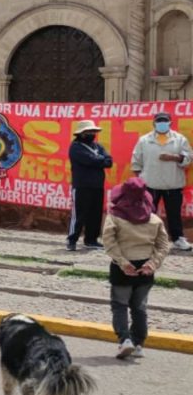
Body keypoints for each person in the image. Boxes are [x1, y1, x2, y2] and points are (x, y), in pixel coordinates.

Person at [102, 177, 171, 360]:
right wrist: (152, 264)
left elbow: (109, 243)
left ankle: (125, 340)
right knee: (139, 308)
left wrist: (123, 262)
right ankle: (139, 344)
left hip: (122, 268)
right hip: (146, 269)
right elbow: (164, 246)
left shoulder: (114, 218)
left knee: (119, 305)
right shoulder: (155, 220)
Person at [130, 111, 193, 251]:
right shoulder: (144, 140)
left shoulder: (179, 139)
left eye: (165, 121)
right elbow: (136, 161)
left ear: (170, 123)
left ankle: (178, 239)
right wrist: (140, 180)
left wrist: (174, 157)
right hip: (150, 183)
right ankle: (146, 240)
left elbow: (189, 157)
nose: (162, 123)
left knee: (174, 213)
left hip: (173, 183)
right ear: (154, 123)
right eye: (159, 121)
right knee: (148, 213)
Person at [67, 120, 113, 252]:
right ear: (82, 133)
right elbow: (89, 160)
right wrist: (100, 160)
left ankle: (91, 240)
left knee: (95, 214)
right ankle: (72, 240)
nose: (92, 134)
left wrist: (98, 160)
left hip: (97, 185)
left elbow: (109, 161)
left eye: (94, 131)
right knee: (79, 214)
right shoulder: (75, 147)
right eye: (89, 132)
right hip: (81, 185)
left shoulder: (98, 146)